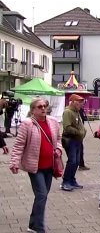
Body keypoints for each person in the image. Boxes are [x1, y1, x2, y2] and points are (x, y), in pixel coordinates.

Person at [9, 97, 62, 233]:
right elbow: (19, 145)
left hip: (50, 166)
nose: (43, 108)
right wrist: (14, 162)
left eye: (45, 106)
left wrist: (58, 149)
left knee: (41, 196)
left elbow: (58, 139)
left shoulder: (53, 122)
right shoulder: (27, 124)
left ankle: (32, 225)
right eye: (40, 107)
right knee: (42, 195)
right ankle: (39, 228)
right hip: (35, 166)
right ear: (33, 110)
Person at [61, 94, 86, 191]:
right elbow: (67, 127)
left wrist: (83, 131)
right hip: (70, 140)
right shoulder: (68, 112)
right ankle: (65, 182)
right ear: (73, 102)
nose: (81, 104)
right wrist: (79, 132)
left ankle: (72, 180)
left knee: (76, 161)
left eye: (81, 102)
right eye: (78, 101)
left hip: (77, 140)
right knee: (72, 161)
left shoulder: (77, 112)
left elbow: (79, 124)